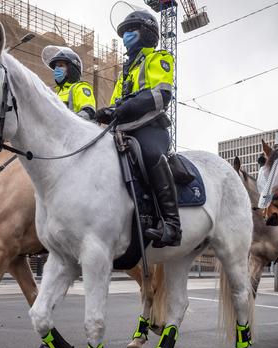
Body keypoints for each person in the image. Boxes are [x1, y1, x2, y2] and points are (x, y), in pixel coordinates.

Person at [95, 7, 180, 247]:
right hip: (123, 131)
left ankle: (173, 225)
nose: (126, 36)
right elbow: (115, 104)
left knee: (151, 154)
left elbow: (161, 95)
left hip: (150, 128)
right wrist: (105, 112)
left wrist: (122, 109)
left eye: (131, 30)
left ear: (146, 33)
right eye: (124, 32)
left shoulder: (159, 57)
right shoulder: (125, 71)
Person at [42, 46, 96, 120]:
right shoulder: (58, 93)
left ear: (71, 69)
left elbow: (89, 112)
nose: (56, 70)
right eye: (55, 67)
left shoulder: (80, 88)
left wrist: (67, 122)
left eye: (61, 65)